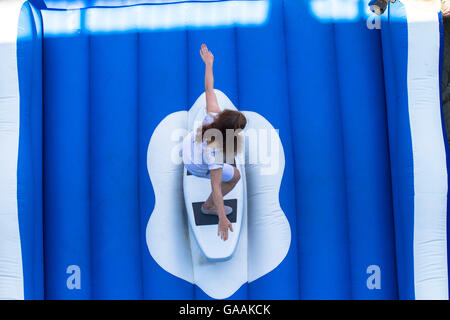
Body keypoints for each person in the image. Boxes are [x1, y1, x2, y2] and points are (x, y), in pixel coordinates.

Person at [182, 44, 247, 241]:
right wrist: (221, 217)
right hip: (195, 165)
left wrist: (208, 64)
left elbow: (209, 89)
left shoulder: (213, 116)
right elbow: (216, 188)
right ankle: (207, 207)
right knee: (235, 176)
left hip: (188, 147)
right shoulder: (216, 155)